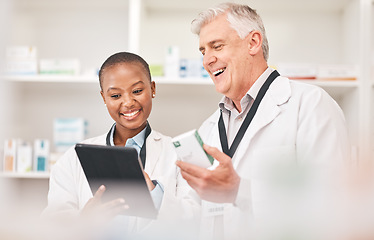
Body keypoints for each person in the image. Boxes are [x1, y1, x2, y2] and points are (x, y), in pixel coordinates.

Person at [176, 3, 350, 239]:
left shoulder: (310, 105)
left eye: (216, 46)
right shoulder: (209, 127)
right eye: (203, 51)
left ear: (253, 43)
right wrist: (152, 196)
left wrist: (239, 190)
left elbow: (333, 203)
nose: (207, 60)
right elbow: (196, 210)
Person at [44, 52, 195, 238]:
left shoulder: (180, 155)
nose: (128, 103)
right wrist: (84, 220)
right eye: (115, 95)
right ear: (103, 98)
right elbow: (53, 224)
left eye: (137, 91)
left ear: (153, 88)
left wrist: (155, 194)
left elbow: (194, 220)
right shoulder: (73, 158)